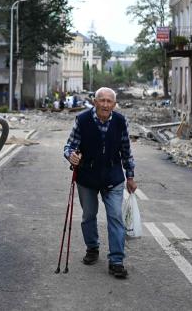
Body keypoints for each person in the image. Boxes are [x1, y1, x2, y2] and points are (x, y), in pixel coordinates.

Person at [63, 87, 137, 279]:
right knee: (88, 215)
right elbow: (70, 145)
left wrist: (130, 176)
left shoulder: (120, 121)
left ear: (114, 104)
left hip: (113, 176)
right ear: (94, 102)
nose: (105, 104)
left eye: (109, 101)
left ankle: (117, 260)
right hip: (87, 176)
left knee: (115, 216)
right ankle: (92, 247)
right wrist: (70, 155)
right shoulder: (82, 120)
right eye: (101, 100)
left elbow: (126, 150)